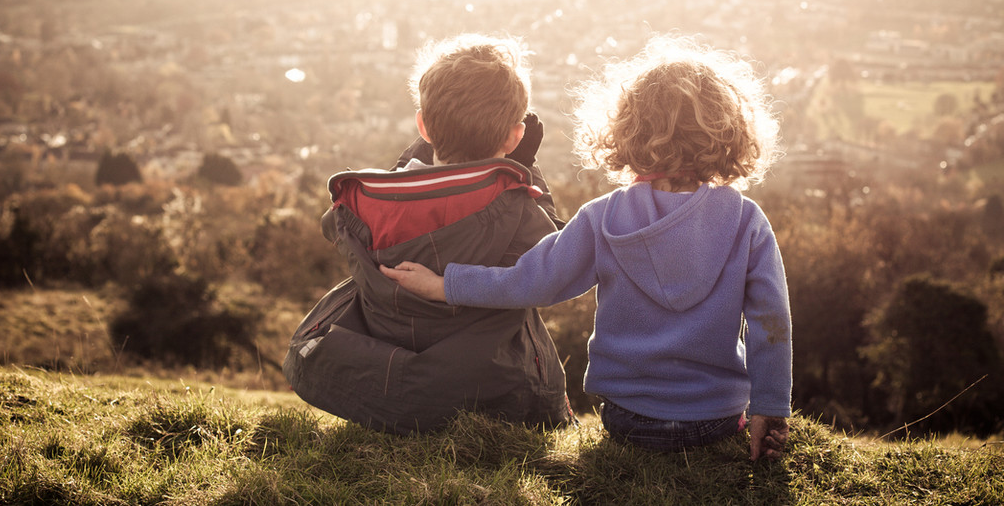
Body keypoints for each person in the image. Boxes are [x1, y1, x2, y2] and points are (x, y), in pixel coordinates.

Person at [382, 36, 792, 460]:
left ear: (627, 130)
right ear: (728, 132)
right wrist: (770, 409)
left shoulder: (603, 217)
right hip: (717, 418)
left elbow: (532, 283)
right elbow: (771, 321)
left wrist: (444, 284)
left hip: (627, 419)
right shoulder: (747, 222)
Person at [283, 33, 574, 434]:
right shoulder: (518, 208)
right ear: (514, 136)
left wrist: (411, 161)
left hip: (389, 378)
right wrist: (525, 168)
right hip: (493, 388)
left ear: (423, 126)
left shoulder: (366, 203)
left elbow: (331, 226)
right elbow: (554, 258)